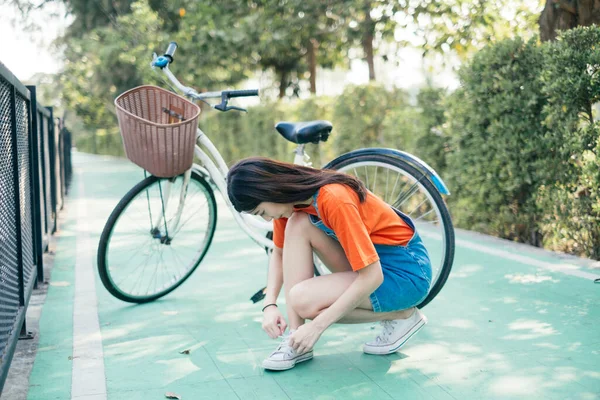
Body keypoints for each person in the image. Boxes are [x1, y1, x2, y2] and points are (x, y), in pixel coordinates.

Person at [227, 157, 432, 371]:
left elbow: (373, 276)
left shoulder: (334, 198)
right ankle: (296, 342)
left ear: (269, 191)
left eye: (261, 212)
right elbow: (279, 253)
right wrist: (269, 305)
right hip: (377, 265)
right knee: (298, 225)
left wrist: (317, 327)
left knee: (303, 300)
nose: (268, 219)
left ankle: (403, 315)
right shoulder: (291, 205)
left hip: (407, 273)